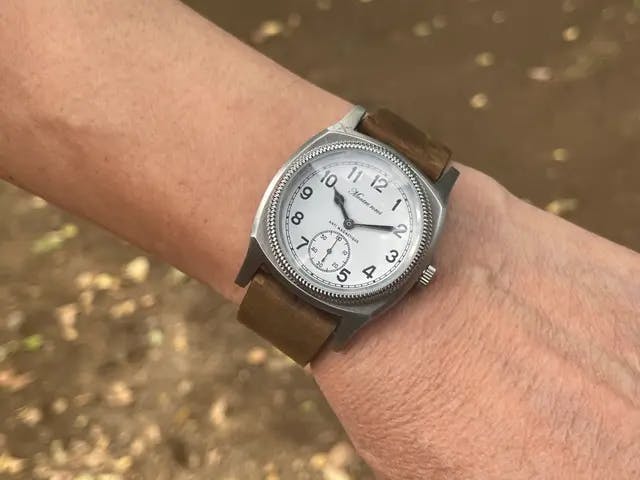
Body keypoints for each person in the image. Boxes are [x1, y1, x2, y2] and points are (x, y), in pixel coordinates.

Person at [1, 1, 639, 478]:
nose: (350, 227)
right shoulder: (304, 200)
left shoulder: (381, 243)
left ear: (420, 271)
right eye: (344, 211)